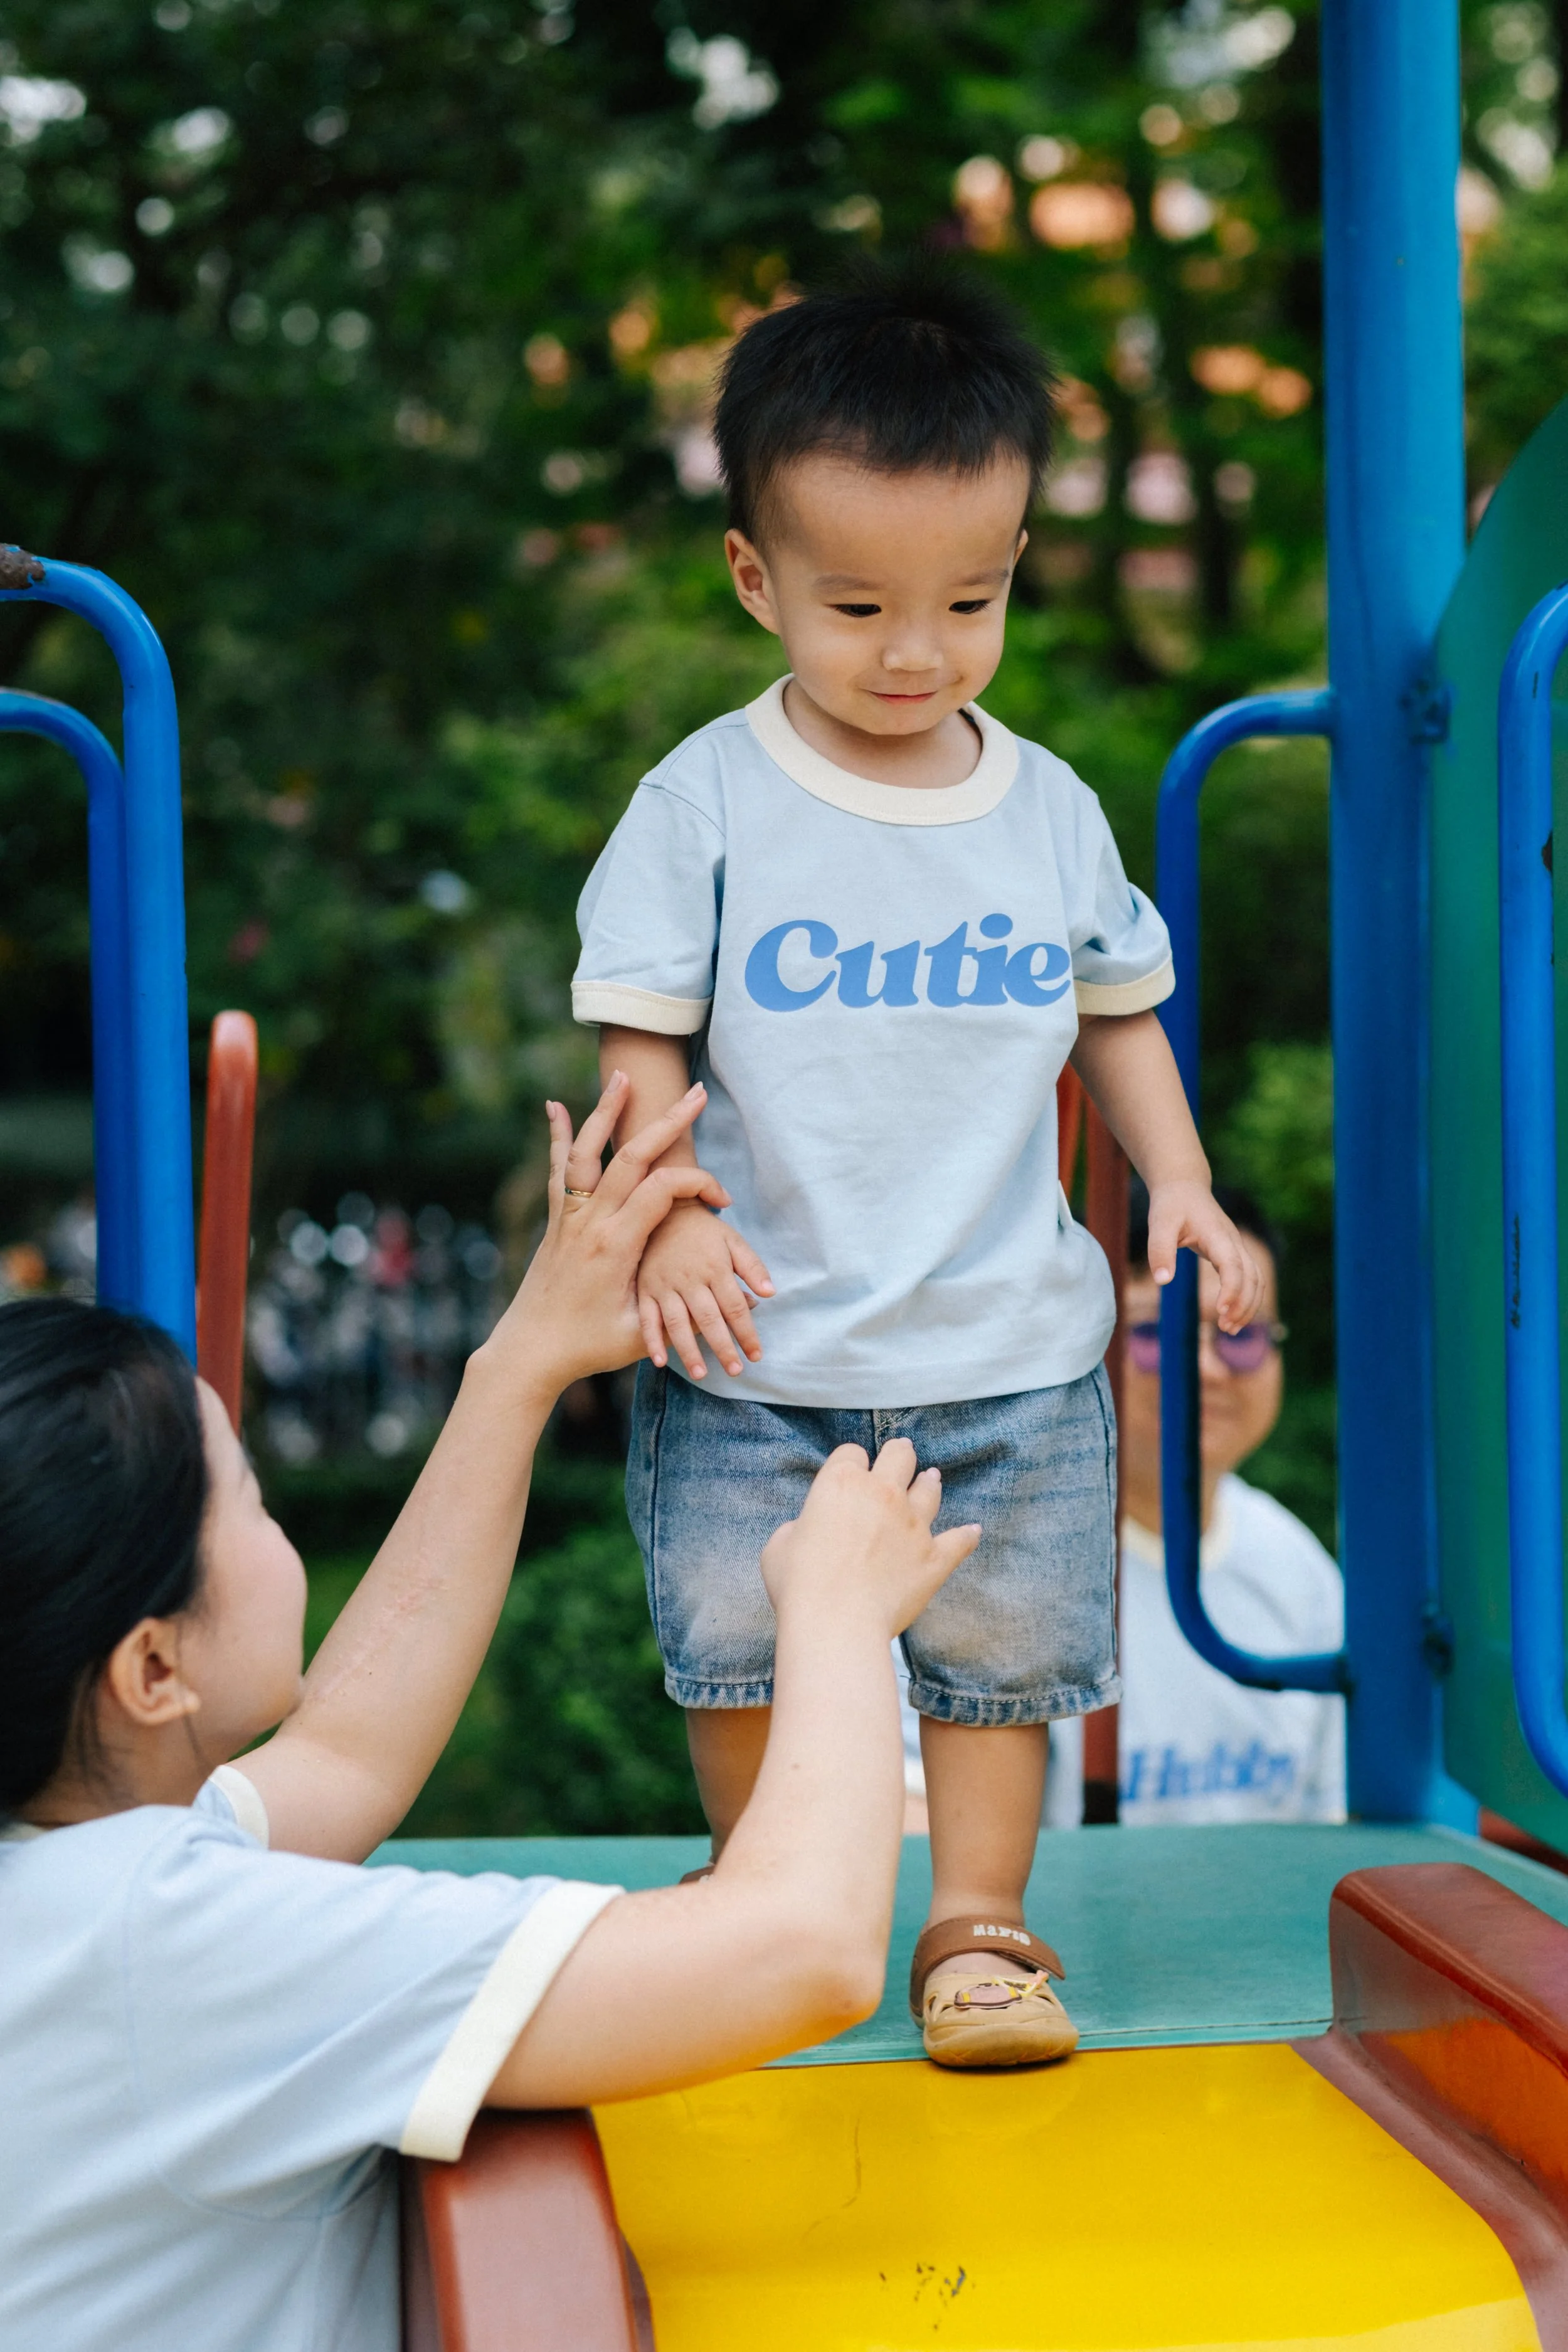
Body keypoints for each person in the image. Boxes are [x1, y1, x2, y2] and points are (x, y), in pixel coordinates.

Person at [571, 260, 1263, 2069]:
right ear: (754, 578)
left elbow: (1117, 1011)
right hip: (756, 1338)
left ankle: (977, 1932)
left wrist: (1177, 1182)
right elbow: (639, 1030)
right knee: (737, 1644)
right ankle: (756, 1902)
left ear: (1017, 559)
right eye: (857, 602)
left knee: (998, 1662)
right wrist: (656, 1216)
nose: (913, 650)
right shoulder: (707, 799)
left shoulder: (1043, 806)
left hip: (1006, 1341)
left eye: (966, 599)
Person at [0, 1076, 977, 2352]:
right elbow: (800, 1949)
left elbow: (346, 1750)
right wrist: (841, 1622)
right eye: (245, 1498)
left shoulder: (79, 1881)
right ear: (149, 1673)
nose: (272, 1525)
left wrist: (521, 1362)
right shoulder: (185, 1949)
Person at [1045, 1187, 1345, 1825]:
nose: (1207, 1368)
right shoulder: (1014, 1565)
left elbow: (1329, 1835)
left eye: (1241, 1333)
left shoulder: (1299, 1571)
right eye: (1158, 1332)